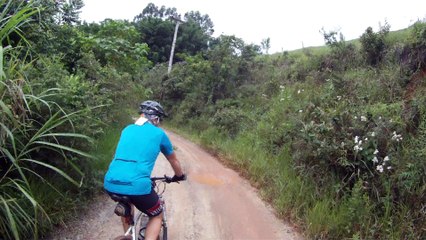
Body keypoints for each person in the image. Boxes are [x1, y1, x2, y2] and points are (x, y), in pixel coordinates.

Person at [104, 100, 186, 240]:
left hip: (110, 182)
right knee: (156, 214)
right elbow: (173, 160)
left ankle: (128, 235)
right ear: (155, 118)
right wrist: (179, 176)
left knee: (127, 207)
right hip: (137, 185)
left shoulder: (127, 129)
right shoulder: (159, 134)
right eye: (159, 119)